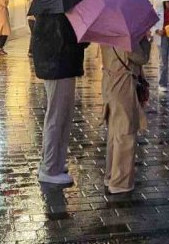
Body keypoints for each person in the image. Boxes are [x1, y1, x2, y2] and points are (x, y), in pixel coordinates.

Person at [32, 14, 87, 184]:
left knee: (63, 117)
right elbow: (67, 41)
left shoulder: (58, 14)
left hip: (63, 67)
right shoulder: (56, 16)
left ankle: (55, 161)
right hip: (58, 68)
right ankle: (49, 168)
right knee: (56, 117)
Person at [100, 38, 152, 194]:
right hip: (123, 85)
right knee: (125, 132)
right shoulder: (125, 36)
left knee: (114, 133)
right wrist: (144, 40)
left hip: (109, 83)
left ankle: (110, 175)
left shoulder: (106, 32)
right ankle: (120, 182)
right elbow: (142, 57)